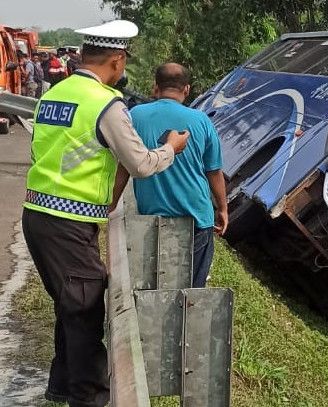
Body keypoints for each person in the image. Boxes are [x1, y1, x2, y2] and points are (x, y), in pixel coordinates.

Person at [22, 20, 189, 407]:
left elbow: (49, 153)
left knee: (68, 304)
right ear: (117, 60)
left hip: (38, 214)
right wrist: (171, 148)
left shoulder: (55, 94)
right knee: (83, 309)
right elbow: (142, 164)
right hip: (67, 223)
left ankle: (61, 385)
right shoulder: (106, 104)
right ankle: (89, 397)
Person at [128, 62, 227, 288]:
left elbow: (124, 165)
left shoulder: (134, 116)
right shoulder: (201, 121)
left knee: (153, 286)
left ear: (155, 88)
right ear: (187, 89)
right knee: (192, 288)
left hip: (151, 218)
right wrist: (222, 208)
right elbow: (213, 171)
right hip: (196, 218)